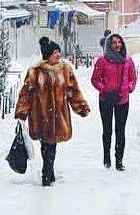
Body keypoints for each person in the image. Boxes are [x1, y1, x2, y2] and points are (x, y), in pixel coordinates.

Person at [14, 36, 90, 186]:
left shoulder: (65, 70)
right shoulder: (35, 71)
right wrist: (22, 111)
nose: (58, 55)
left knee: (52, 145)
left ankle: (48, 169)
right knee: (46, 144)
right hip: (41, 115)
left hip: (58, 116)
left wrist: (81, 107)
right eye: (55, 52)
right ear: (48, 55)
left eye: (59, 52)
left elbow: (73, 91)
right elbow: (26, 93)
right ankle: (47, 171)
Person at [90, 32, 137, 171]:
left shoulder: (128, 60)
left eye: (119, 42)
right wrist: (104, 89)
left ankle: (119, 160)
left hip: (123, 100)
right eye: (114, 43)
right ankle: (107, 157)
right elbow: (95, 79)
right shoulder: (102, 61)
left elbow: (133, 78)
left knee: (120, 130)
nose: (117, 45)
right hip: (106, 99)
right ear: (109, 45)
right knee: (107, 130)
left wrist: (129, 88)